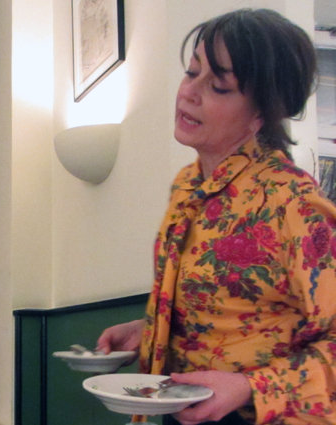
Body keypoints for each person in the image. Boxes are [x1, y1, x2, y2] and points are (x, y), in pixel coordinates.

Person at [96, 8, 335, 425]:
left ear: (262, 112)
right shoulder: (188, 186)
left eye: (219, 86)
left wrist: (250, 386)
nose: (189, 92)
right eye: (192, 72)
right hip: (184, 409)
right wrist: (150, 329)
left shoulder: (292, 202)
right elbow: (228, 315)